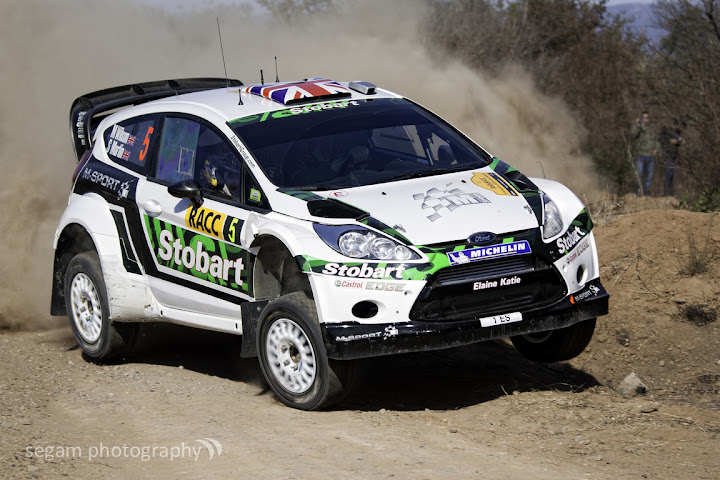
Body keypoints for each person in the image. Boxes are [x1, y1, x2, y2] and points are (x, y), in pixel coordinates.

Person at [630, 111, 661, 196]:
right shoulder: (639, 128)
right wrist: (637, 125)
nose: (646, 120)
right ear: (641, 118)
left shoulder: (652, 129)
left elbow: (657, 140)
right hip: (641, 155)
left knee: (649, 176)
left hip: (650, 156)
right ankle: (636, 192)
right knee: (639, 174)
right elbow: (632, 135)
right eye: (644, 118)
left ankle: (646, 192)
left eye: (647, 118)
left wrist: (656, 149)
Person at [659, 118, 685, 197]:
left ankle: (670, 192)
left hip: (674, 156)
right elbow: (661, 139)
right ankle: (667, 192)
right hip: (667, 154)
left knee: (672, 174)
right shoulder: (666, 131)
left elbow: (681, 141)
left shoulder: (677, 133)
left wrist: (677, 141)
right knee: (668, 173)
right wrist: (670, 140)